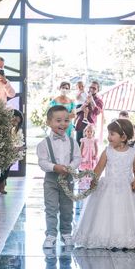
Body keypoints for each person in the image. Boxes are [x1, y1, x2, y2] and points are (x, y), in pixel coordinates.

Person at [73, 119, 135, 250]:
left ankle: (126, 237)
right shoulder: (107, 151)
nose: (108, 137)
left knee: (126, 213)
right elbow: (99, 168)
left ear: (123, 137)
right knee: (105, 212)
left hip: (127, 189)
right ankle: (102, 236)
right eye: (109, 133)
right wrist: (94, 181)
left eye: (112, 134)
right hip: (108, 186)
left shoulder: (133, 152)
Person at [37, 105, 81, 249]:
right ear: (49, 122)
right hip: (51, 180)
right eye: (58, 120)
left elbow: (77, 158)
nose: (63, 124)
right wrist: (54, 167)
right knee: (51, 207)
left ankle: (66, 233)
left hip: (67, 180)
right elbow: (42, 162)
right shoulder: (44, 144)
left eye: (66, 120)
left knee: (67, 207)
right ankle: (50, 234)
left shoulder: (73, 142)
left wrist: (70, 168)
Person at [0, 109, 24, 195]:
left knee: (7, 168)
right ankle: (1, 184)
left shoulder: (16, 129)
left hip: (12, 152)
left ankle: (2, 184)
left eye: (18, 119)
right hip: (4, 151)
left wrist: (19, 147)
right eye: (15, 118)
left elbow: (17, 140)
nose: (16, 120)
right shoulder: (6, 128)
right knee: (6, 168)